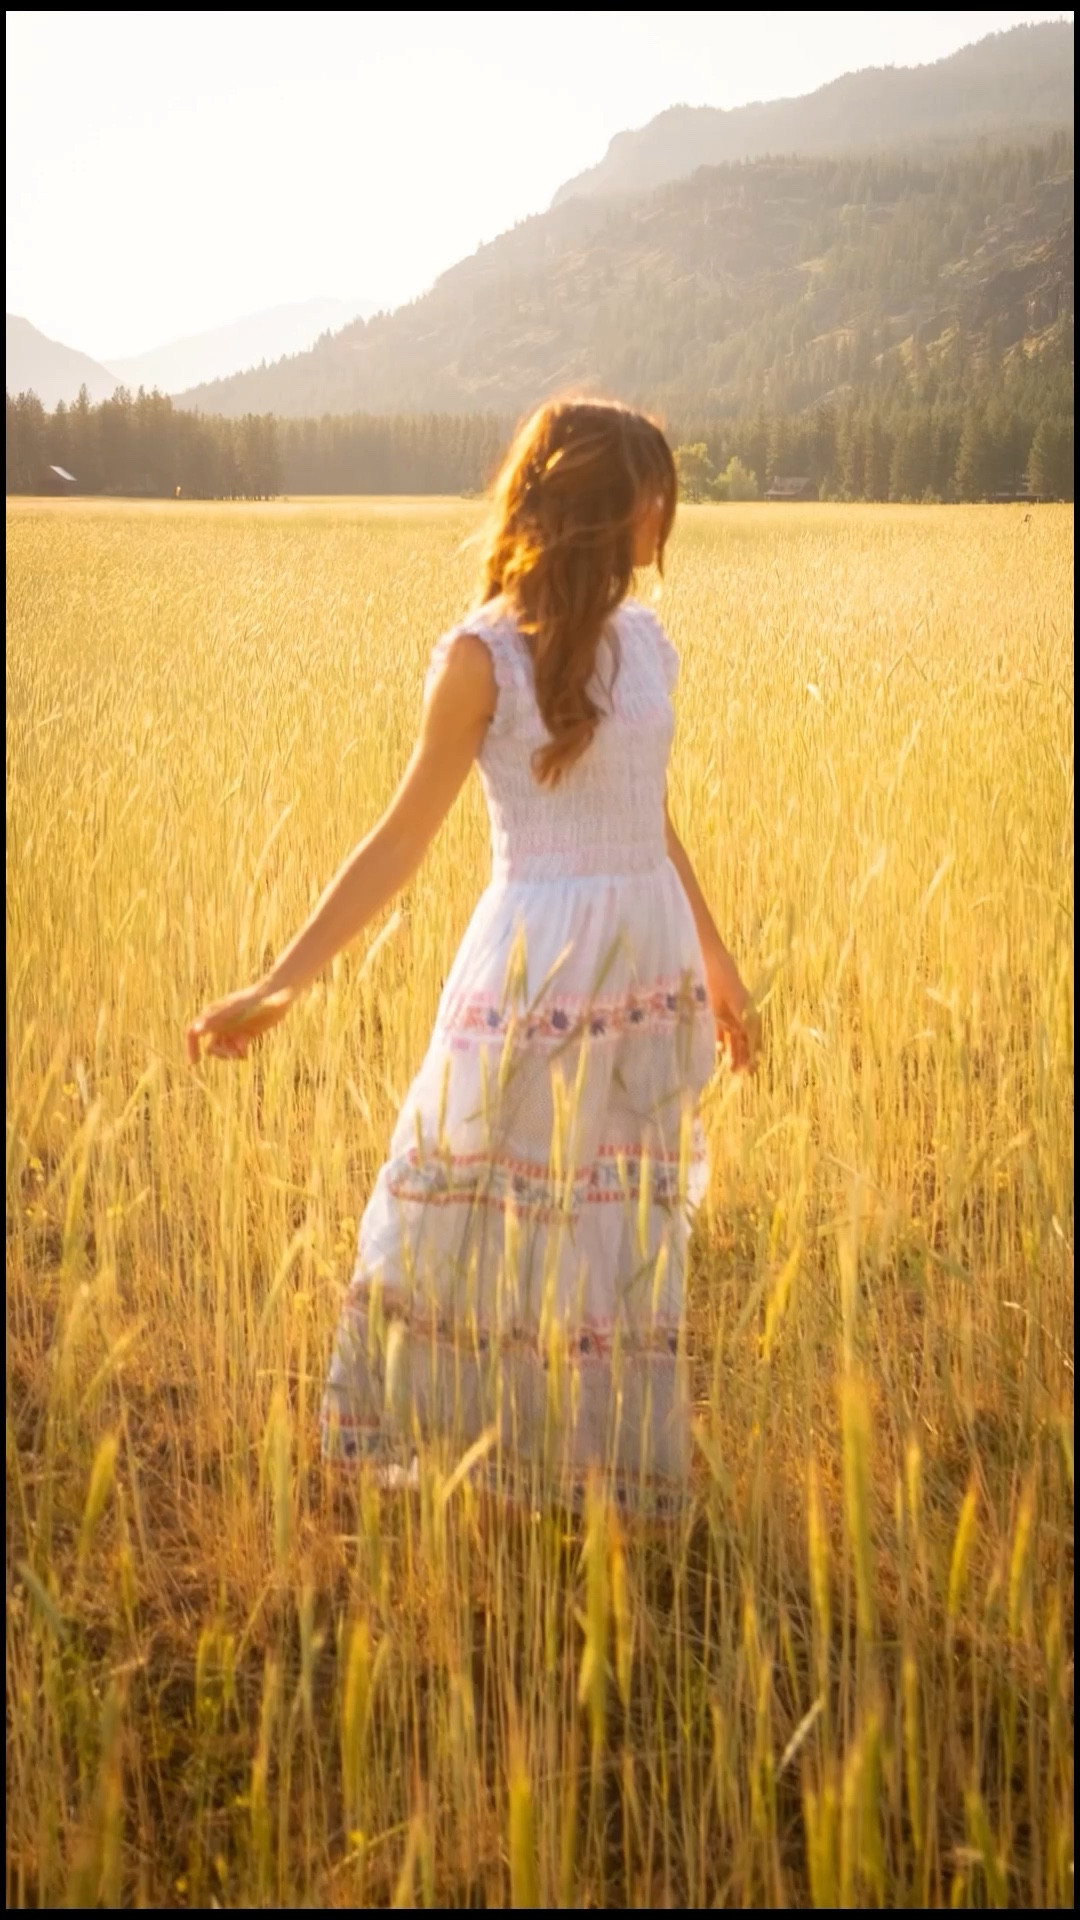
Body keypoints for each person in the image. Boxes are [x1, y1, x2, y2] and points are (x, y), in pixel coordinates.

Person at [186, 398, 759, 1521]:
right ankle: (491, 1465)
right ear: (595, 499)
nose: (664, 510)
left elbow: (652, 815)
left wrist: (720, 960)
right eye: (649, 487)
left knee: (618, 1230)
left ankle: (600, 1477)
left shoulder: (644, 641)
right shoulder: (480, 657)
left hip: (645, 968)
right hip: (535, 970)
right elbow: (400, 840)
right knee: (494, 1213)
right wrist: (280, 983)